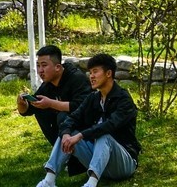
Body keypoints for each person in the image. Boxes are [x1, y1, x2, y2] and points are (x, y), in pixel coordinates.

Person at [35, 53, 140, 187]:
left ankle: (91, 184)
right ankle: (49, 181)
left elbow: (110, 125)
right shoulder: (93, 98)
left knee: (104, 136)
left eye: (95, 72)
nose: (91, 76)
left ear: (108, 73)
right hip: (98, 161)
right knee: (68, 134)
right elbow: (72, 118)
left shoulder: (123, 100)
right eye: (90, 72)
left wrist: (80, 135)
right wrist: (66, 133)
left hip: (123, 163)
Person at [17, 44, 92, 154]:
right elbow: (30, 109)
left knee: (62, 116)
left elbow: (82, 106)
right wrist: (22, 104)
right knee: (41, 112)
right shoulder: (48, 84)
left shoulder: (76, 78)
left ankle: (72, 156)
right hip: (67, 127)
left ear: (57, 67)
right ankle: (64, 153)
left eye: (44, 65)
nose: (40, 70)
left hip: (87, 124)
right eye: (38, 66)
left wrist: (51, 103)